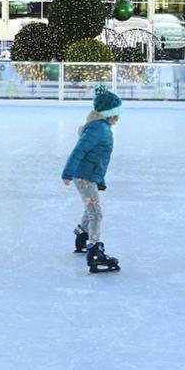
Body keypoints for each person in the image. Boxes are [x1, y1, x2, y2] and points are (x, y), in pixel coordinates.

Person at [61, 85, 121, 274]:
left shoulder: (102, 127)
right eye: (117, 113)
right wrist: (67, 173)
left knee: (90, 209)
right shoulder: (98, 130)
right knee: (96, 213)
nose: (119, 117)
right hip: (84, 177)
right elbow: (79, 150)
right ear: (109, 114)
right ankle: (95, 251)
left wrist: (99, 179)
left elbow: (98, 157)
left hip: (89, 176)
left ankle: (82, 234)